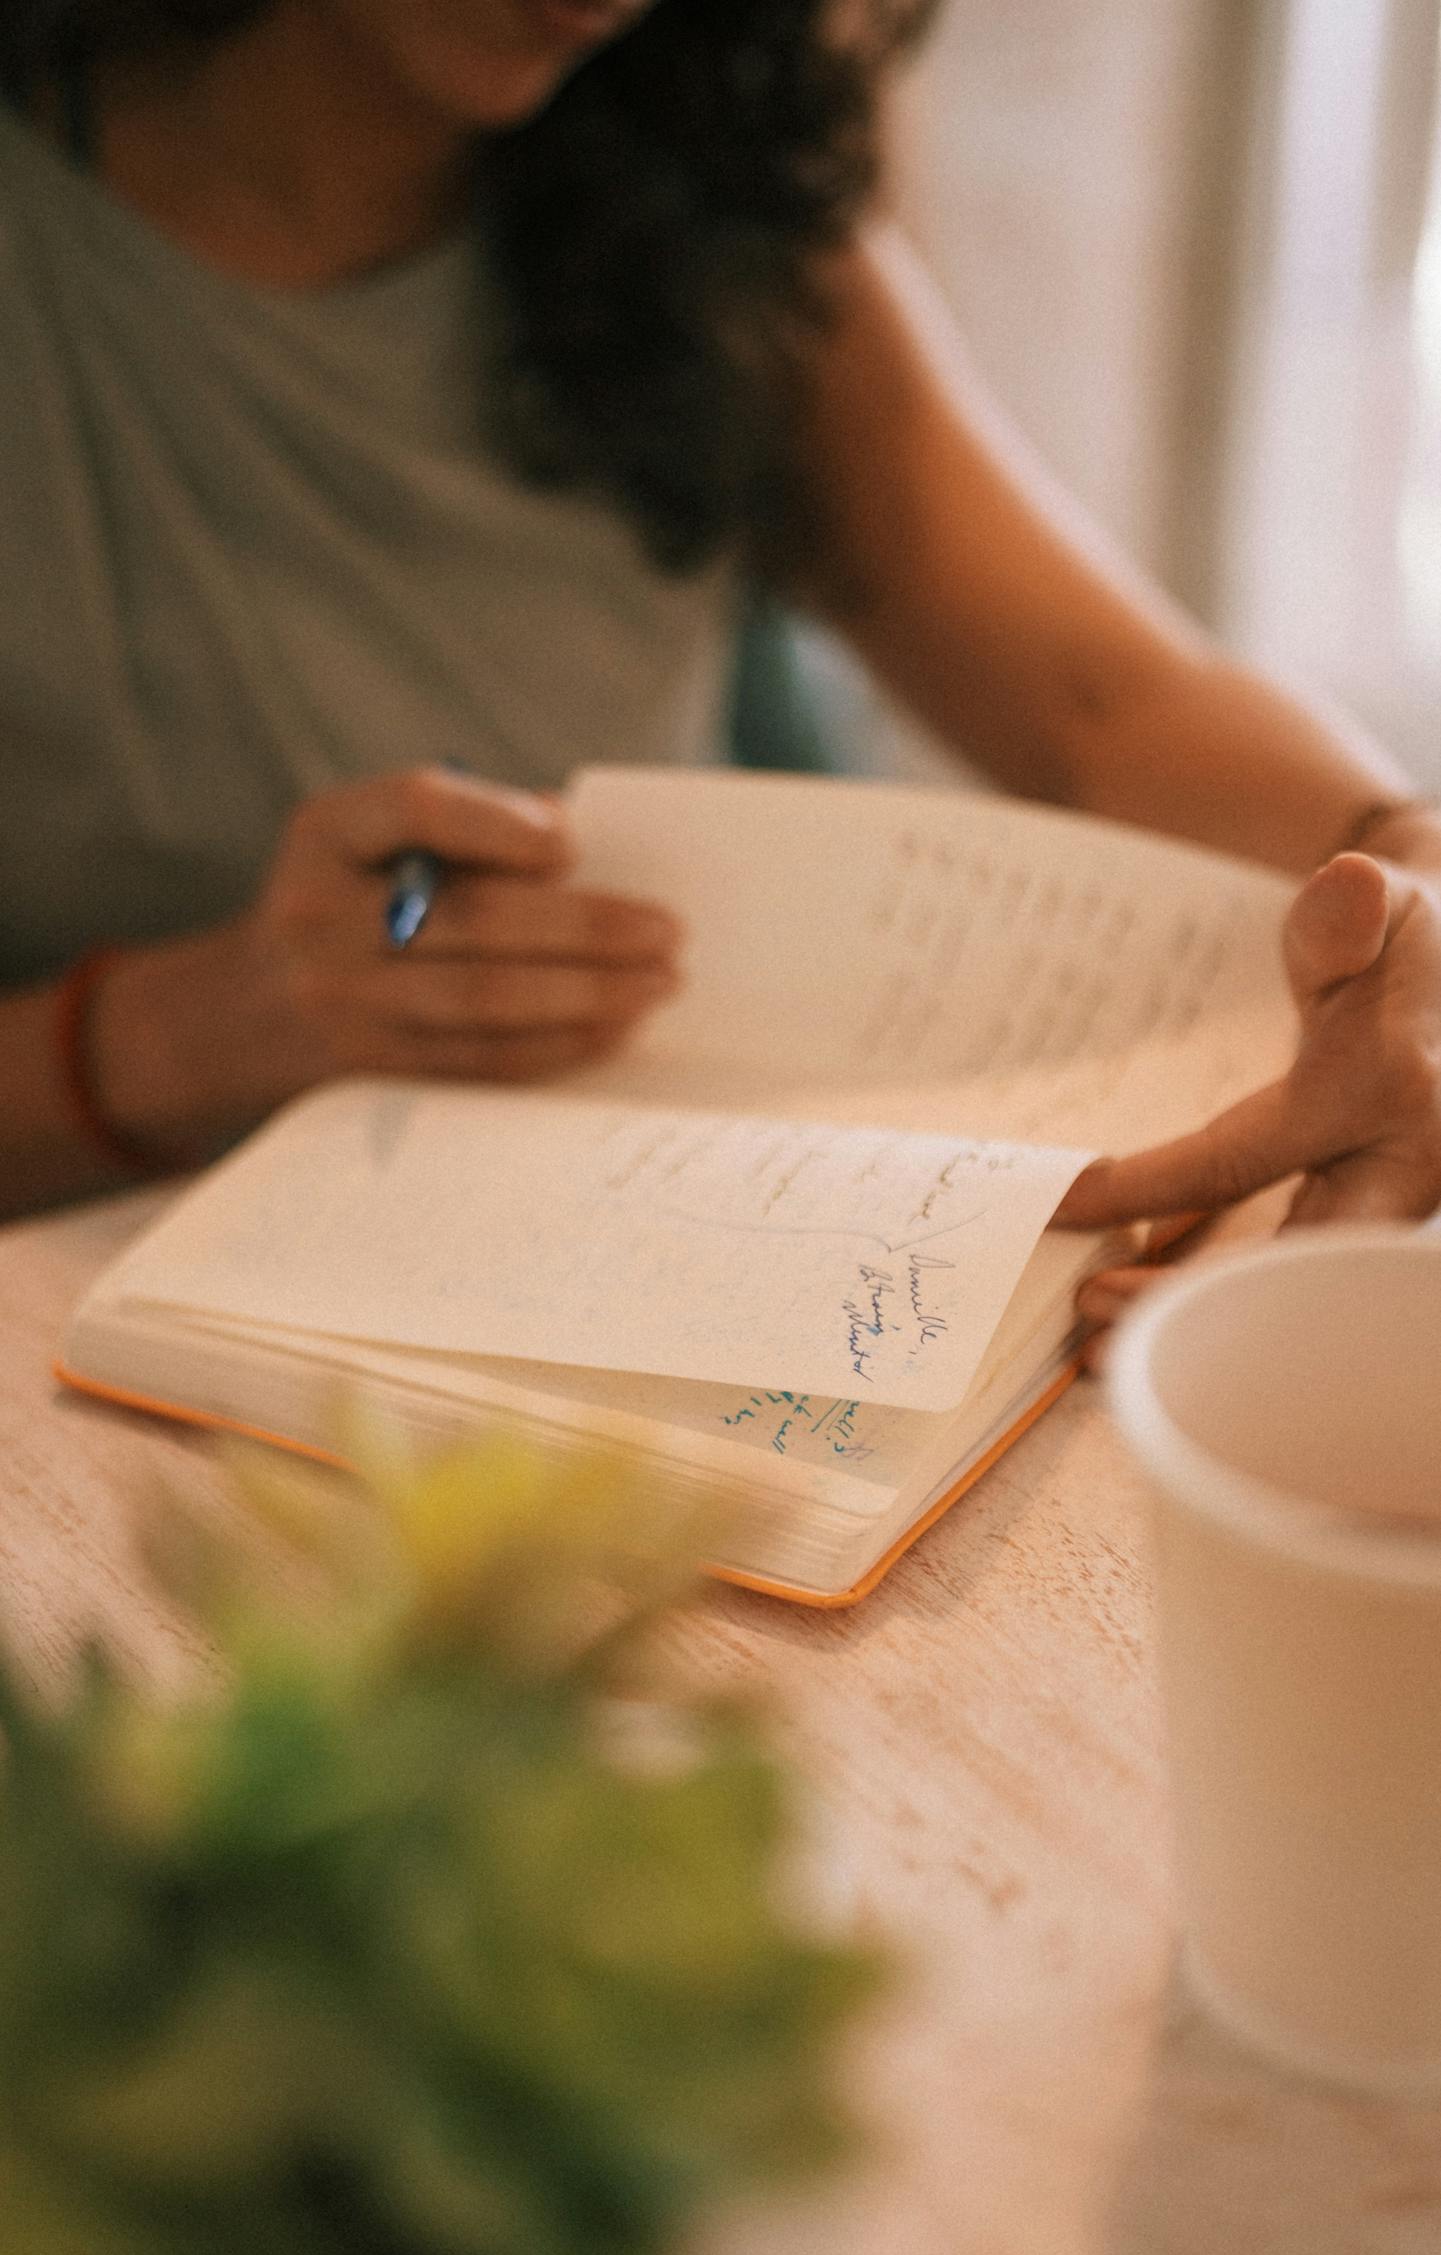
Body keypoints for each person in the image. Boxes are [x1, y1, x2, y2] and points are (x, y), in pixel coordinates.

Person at [0, 0, 1438, 1350]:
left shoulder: (692, 188)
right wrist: (159, 1035)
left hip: (602, 1272)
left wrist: (1405, 875)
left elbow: (1098, 706)